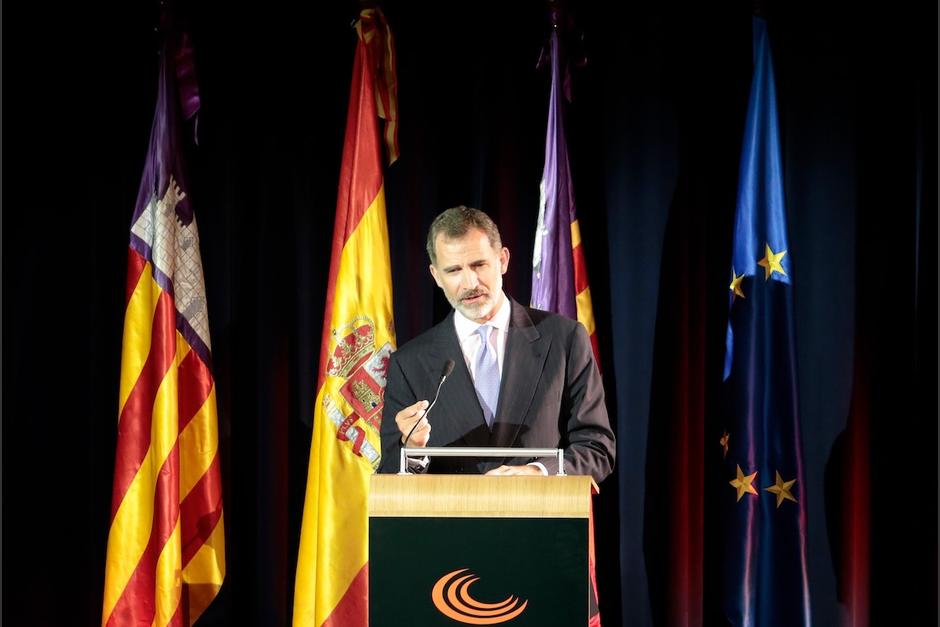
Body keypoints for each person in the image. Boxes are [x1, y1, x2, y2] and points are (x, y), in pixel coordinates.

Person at [377, 206, 615, 483]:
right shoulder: (410, 363)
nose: (470, 282)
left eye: (479, 265)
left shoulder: (564, 339)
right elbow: (390, 473)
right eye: (453, 270)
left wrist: (538, 473)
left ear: (502, 260)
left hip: (540, 521)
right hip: (450, 524)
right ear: (436, 276)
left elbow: (597, 448)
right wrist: (414, 452)